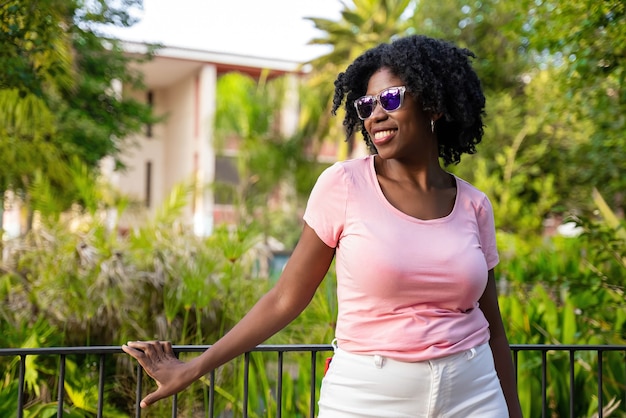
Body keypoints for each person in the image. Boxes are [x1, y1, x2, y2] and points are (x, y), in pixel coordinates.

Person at [123, 34, 523, 417]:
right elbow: (285, 298)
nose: (376, 114)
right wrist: (192, 368)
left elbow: (495, 329)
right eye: (366, 105)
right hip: (369, 397)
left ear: (433, 105)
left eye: (391, 98)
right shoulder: (344, 185)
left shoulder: (474, 205)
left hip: (473, 393)